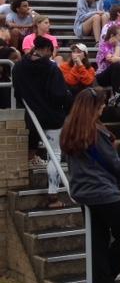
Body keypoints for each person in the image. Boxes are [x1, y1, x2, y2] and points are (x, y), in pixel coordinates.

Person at [60, 87, 120, 283]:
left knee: (97, 243)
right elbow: (114, 164)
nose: (103, 107)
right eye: (101, 104)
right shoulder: (95, 131)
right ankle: (103, 282)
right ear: (93, 107)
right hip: (104, 192)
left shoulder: (69, 128)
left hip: (83, 192)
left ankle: (100, 281)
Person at [12, 36, 72, 206]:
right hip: (52, 117)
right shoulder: (51, 68)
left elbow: (17, 92)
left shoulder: (19, 67)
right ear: (46, 49)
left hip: (31, 116)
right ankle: (53, 195)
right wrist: (67, 106)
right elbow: (59, 94)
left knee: (43, 151)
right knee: (55, 154)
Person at [96, 25, 120, 105]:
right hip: (103, 76)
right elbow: (113, 61)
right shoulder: (103, 45)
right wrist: (117, 46)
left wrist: (119, 58)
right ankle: (116, 93)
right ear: (112, 36)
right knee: (116, 65)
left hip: (117, 76)